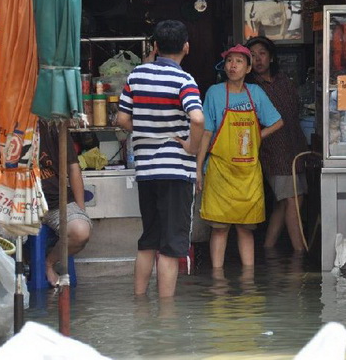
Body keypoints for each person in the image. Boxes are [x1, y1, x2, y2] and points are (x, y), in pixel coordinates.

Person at [117, 20, 205, 298]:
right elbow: (198, 118)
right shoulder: (184, 80)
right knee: (170, 245)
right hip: (176, 171)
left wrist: (144, 131)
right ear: (186, 47)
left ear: (155, 47)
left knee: (148, 241)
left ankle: (140, 303)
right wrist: (192, 146)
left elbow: (121, 119)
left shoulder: (135, 77)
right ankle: (166, 319)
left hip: (146, 172)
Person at [197, 44, 283, 269]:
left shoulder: (255, 93)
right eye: (229, 61)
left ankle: (248, 281)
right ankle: (217, 279)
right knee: (219, 228)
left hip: (248, 173)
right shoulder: (215, 93)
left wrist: (256, 136)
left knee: (246, 228)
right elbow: (207, 132)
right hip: (219, 170)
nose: (233, 65)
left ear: (248, 68)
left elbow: (277, 122)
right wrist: (197, 169)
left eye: (239, 61)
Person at [245, 36, 309, 252]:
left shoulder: (284, 81)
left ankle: (268, 249)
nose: (258, 59)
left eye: (262, 54)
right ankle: (300, 254)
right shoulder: (250, 87)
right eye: (252, 56)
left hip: (296, 146)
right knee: (293, 199)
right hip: (274, 151)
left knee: (282, 203)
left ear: (271, 57)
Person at [38, 120, 92, 287]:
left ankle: (48, 263)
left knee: (81, 231)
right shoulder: (3, 131)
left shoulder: (54, 128)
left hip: (55, 202)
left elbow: (74, 168)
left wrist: (81, 209)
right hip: (18, 203)